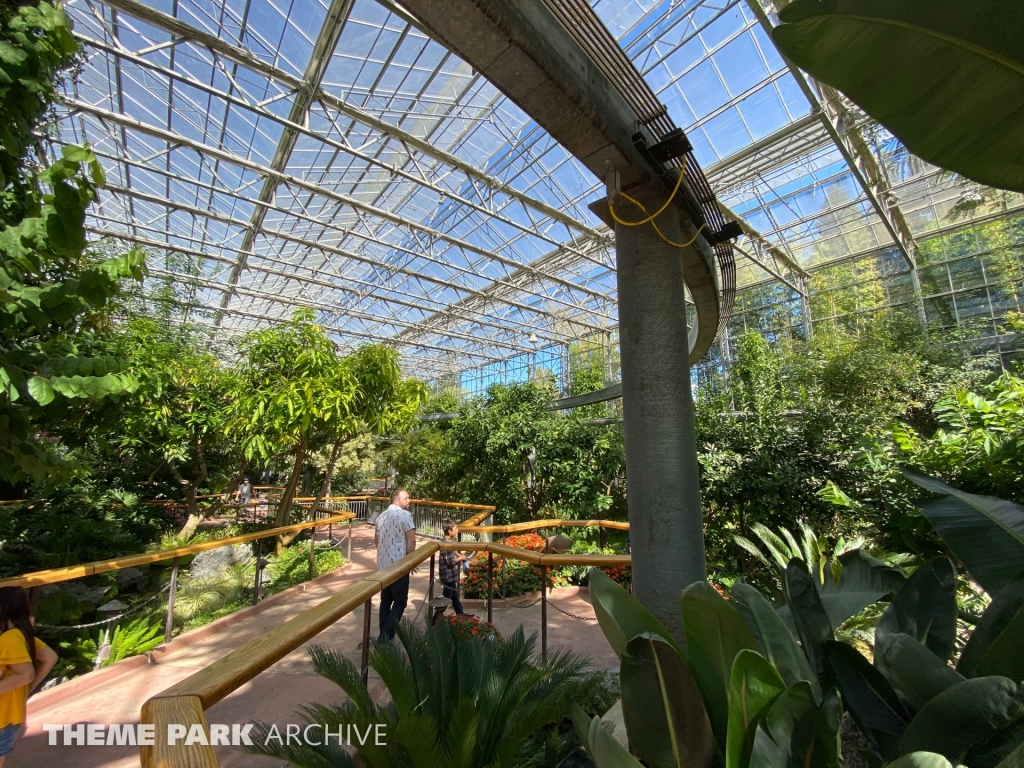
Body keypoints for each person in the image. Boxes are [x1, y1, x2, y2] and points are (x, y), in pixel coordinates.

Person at [0, 587, 57, 766]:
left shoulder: (10, 638)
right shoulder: (23, 634)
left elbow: (25, 674)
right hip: (11, 714)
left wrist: (27, 685)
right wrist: (28, 690)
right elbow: (50, 657)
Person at [374, 488, 416, 643]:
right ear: (396, 500)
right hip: (399, 566)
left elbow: (376, 541)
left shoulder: (380, 516)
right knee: (400, 602)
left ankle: (383, 637)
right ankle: (384, 639)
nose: (409, 501)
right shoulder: (405, 515)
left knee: (386, 600)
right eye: (406, 498)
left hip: (382, 567)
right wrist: (410, 561)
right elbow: (411, 539)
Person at [439, 519, 468, 616]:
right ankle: (435, 620)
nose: (457, 530)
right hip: (448, 577)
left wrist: (459, 555)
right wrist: (461, 558)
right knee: (445, 601)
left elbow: (454, 551)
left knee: (455, 598)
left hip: (450, 577)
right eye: (455, 528)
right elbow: (451, 563)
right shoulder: (447, 544)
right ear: (449, 531)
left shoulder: (447, 541)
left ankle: (461, 615)